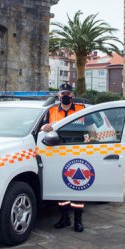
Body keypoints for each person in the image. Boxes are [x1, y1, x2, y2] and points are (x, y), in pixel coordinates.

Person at [41, 83, 87, 232]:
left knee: (77, 187)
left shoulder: (82, 109)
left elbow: (92, 128)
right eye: (63, 94)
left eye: (68, 93)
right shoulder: (51, 110)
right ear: (59, 95)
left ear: (72, 95)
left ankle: (78, 221)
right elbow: (43, 127)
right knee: (61, 188)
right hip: (58, 153)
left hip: (77, 152)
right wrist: (44, 127)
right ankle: (64, 218)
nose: (65, 96)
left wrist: (90, 142)